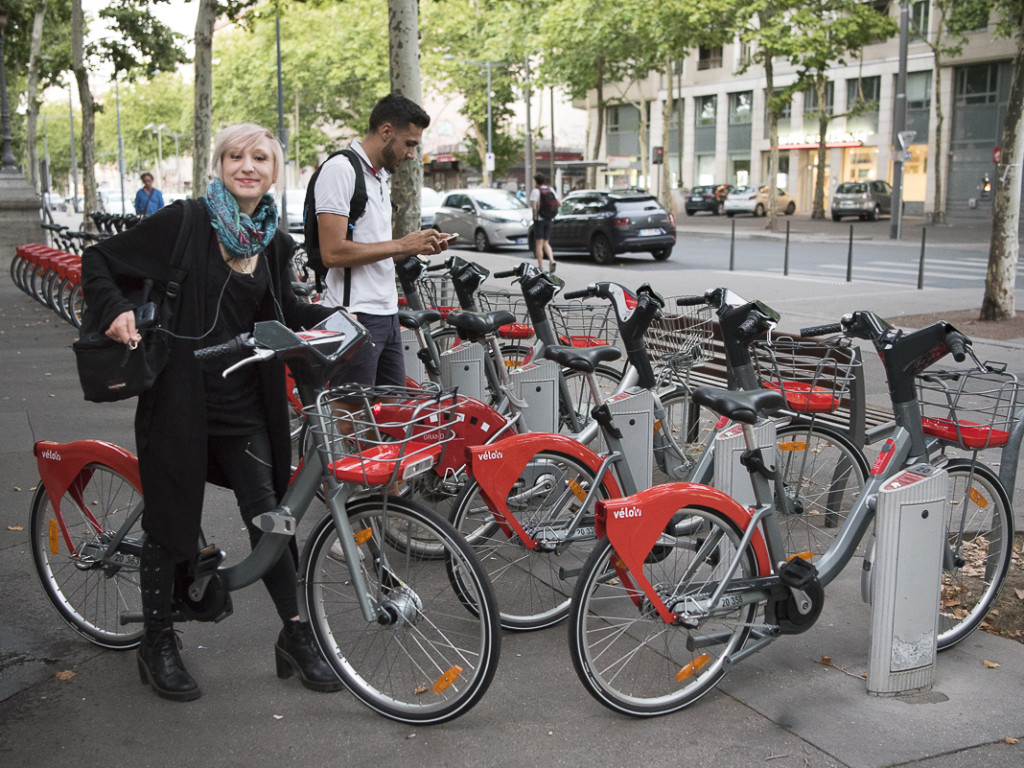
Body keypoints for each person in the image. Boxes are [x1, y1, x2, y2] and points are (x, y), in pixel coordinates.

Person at [82, 124, 341, 702]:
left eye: (258, 158)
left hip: (247, 402)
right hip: (179, 400)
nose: (245, 166)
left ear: (275, 170)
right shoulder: (186, 221)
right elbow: (98, 259)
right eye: (233, 156)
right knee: (171, 521)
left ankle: (296, 636)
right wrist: (117, 309)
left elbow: (280, 310)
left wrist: (334, 322)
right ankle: (157, 643)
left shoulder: (273, 242)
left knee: (271, 518)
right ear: (218, 163)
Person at [313, 93, 450, 389]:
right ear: (387, 131)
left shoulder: (378, 177)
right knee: (350, 417)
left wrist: (416, 246)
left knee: (390, 416)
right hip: (355, 314)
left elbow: (373, 248)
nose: (412, 154)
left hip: (386, 313)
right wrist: (402, 245)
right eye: (409, 143)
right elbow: (332, 252)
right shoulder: (341, 169)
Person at [529, 173, 558, 272]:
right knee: (546, 242)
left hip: (539, 220)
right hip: (549, 219)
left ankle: (540, 266)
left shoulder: (535, 191)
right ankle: (551, 260)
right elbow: (559, 203)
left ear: (536, 181)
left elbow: (534, 207)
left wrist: (534, 218)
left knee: (539, 244)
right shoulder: (550, 190)